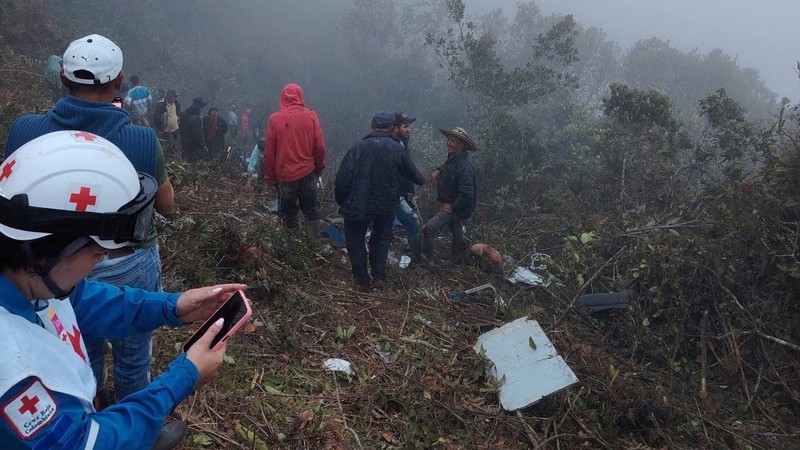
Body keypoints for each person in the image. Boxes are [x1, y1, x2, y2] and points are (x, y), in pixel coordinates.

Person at [0, 130, 244, 449]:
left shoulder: (28, 282)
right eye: (97, 253)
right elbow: (88, 443)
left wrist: (173, 306)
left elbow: (85, 300)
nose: (103, 262)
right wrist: (184, 376)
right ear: (50, 251)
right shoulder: (14, 374)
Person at [3, 33, 181, 446]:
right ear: (118, 81)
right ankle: (140, 430)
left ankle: (93, 406)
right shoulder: (141, 139)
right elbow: (167, 206)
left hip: (49, 266)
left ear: (63, 77)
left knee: (81, 342)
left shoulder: (25, 130)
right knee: (134, 353)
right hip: (128, 263)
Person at [335, 110, 425, 289]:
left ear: (372, 126)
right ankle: (379, 277)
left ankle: (361, 279)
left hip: (359, 204)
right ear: (391, 127)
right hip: (385, 206)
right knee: (381, 239)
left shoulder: (358, 147)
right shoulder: (397, 149)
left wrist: (342, 200)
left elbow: (342, 178)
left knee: (355, 240)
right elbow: (415, 176)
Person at [264, 84, 326, 240]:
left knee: (288, 215)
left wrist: (270, 178)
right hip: (307, 173)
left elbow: (269, 153)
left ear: (283, 97)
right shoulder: (311, 115)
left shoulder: (274, 119)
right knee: (311, 211)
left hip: (285, 177)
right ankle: (316, 244)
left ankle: (293, 248)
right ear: (300, 96)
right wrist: (318, 169)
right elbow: (319, 146)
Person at [421, 127, 477, 269]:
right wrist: (439, 171)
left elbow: (467, 193)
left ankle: (430, 262)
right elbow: (447, 166)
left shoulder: (464, 166)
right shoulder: (454, 158)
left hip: (457, 208)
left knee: (430, 228)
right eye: (448, 140)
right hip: (454, 207)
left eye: (452, 141)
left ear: (462, 145)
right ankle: (457, 260)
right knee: (457, 233)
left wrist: (452, 207)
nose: (448, 143)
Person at [391, 112, 423, 263]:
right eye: (405, 126)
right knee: (413, 223)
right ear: (395, 127)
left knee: (416, 221)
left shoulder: (403, 140)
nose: (409, 129)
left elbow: (407, 166)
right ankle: (416, 260)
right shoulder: (389, 145)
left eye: (409, 125)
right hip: (394, 194)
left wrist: (410, 187)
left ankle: (413, 249)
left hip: (403, 190)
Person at [153, 89, 181, 155]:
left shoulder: (176, 103)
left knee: (177, 145)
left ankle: (172, 156)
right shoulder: (161, 105)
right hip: (167, 130)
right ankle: (170, 157)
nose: (175, 98)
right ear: (169, 95)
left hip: (176, 128)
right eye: (174, 96)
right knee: (172, 145)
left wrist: (178, 117)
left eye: (176, 96)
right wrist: (162, 128)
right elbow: (156, 118)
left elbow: (178, 112)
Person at [180, 97, 208, 162]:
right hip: (192, 146)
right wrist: (203, 145)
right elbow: (197, 135)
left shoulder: (187, 113)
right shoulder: (195, 118)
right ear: (199, 107)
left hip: (185, 143)